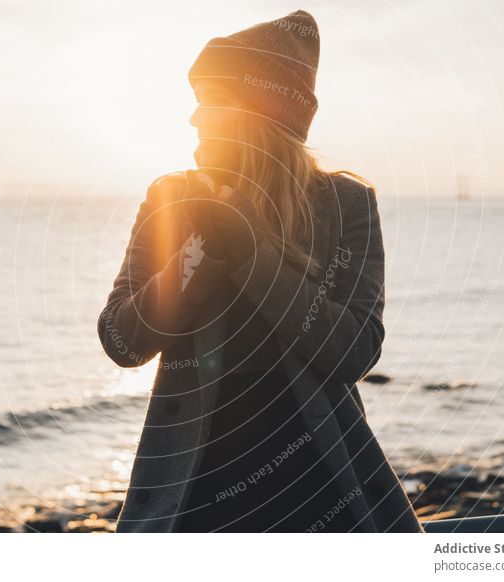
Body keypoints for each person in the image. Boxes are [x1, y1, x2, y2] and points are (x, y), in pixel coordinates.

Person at [97, 9, 424, 533]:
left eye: (211, 102)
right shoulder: (170, 197)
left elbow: (355, 351)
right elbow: (122, 340)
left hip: (324, 491)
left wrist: (254, 255)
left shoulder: (344, 205)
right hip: (191, 500)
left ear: (259, 115)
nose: (194, 119)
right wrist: (194, 258)